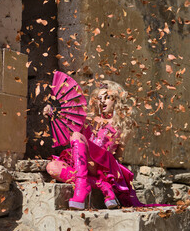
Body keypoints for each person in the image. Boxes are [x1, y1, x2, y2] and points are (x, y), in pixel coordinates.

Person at [44, 80, 167, 210]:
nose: (102, 101)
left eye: (107, 98)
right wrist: (53, 113)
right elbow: (69, 124)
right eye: (99, 98)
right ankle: (99, 185)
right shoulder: (89, 119)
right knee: (51, 167)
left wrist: (116, 179)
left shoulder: (123, 124)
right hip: (82, 163)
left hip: (102, 165)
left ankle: (83, 190)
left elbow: (118, 155)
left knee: (76, 136)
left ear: (116, 100)